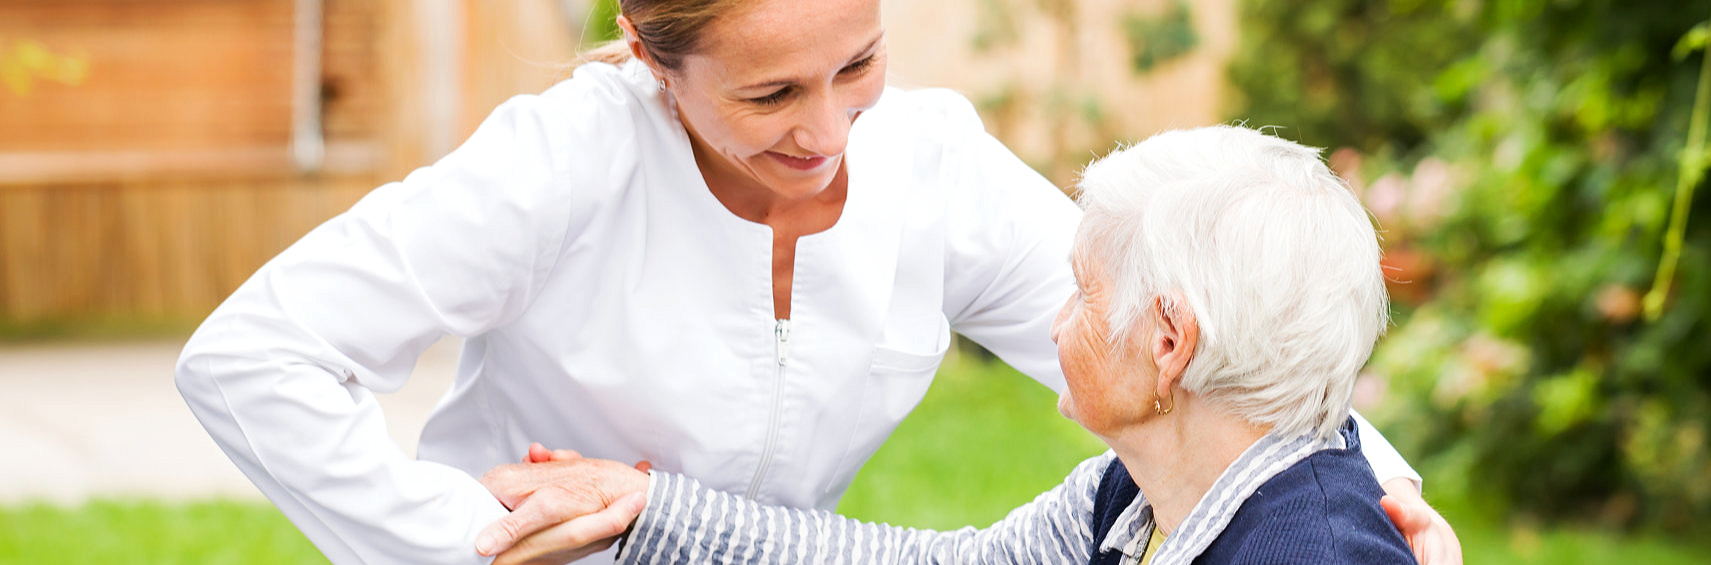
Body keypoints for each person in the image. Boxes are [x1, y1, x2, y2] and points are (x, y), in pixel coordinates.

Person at [172, 0, 1458, 562]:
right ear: (651, 59)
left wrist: (1388, 503)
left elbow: (1220, 339)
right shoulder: (564, 160)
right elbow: (250, 359)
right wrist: (469, 547)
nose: (829, 126)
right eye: (769, 92)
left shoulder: (932, 161)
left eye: (858, 61)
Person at [481, 125, 1423, 565]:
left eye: (1085, 297)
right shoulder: (1144, 489)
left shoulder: (1310, 554)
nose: (1055, 322)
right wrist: (651, 508)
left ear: (1168, 344)